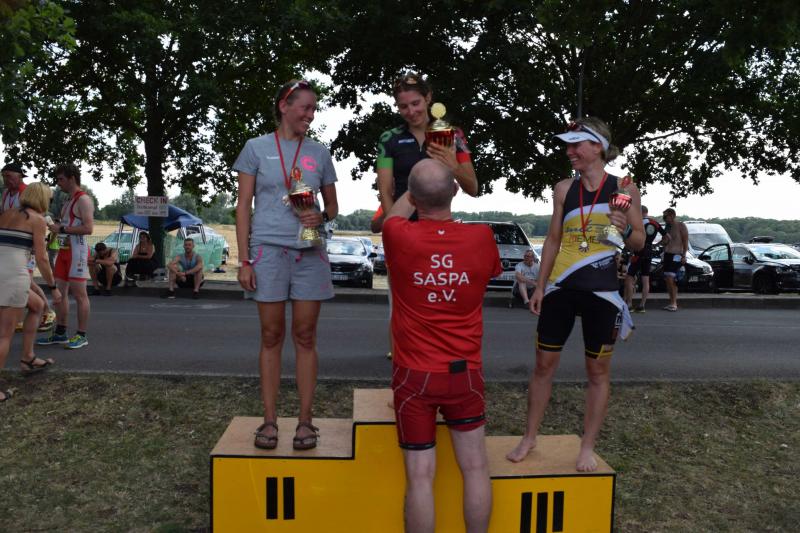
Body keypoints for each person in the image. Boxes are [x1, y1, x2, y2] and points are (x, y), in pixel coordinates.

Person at [506, 117, 645, 471]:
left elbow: (639, 242)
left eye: (576, 144)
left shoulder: (625, 188)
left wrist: (624, 229)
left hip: (602, 292)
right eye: (567, 145)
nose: (569, 151)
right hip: (561, 287)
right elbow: (553, 239)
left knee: (597, 372)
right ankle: (529, 437)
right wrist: (539, 286)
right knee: (543, 366)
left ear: (597, 146)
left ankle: (587, 447)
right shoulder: (563, 189)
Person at [384, 159, 501, 533]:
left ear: (413, 197)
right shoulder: (481, 237)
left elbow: (394, 215)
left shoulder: (398, 235)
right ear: (454, 191)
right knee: (476, 467)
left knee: (420, 476)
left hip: (414, 375)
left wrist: (412, 191)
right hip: (464, 374)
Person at [233, 79, 338, 451]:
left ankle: (306, 422)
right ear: (284, 106)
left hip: (309, 252)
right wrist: (244, 260)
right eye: (305, 108)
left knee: (305, 336)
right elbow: (243, 207)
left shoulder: (319, 153)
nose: (311, 115)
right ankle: (269, 420)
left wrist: (321, 216)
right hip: (268, 251)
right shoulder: (256, 148)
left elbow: (333, 207)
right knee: (271, 335)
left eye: (314, 109)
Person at [376, 72, 478, 218]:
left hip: (438, 226)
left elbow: (473, 189)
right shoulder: (388, 139)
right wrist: (393, 226)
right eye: (403, 106)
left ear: (428, 98)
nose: (411, 111)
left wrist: (453, 165)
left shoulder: (454, 134)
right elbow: (385, 191)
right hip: (403, 225)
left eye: (415, 103)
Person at [0, 182, 62, 401]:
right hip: (13, 276)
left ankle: (28, 357)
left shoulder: (7, 213)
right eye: (50, 199)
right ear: (43, 199)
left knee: (37, 306)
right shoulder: (37, 220)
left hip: (4, 271)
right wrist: (53, 287)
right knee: (5, 334)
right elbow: (42, 258)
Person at [37, 163, 93, 350]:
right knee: (59, 294)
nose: (58, 183)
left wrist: (61, 228)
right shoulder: (68, 200)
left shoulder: (83, 200)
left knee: (80, 295)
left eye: (61, 179)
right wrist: (56, 228)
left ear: (72, 178)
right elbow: (66, 227)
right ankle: (60, 333)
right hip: (64, 251)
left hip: (77, 252)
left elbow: (88, 228)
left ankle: (82, 335)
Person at [1, 164, 56, 333]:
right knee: (26, 283)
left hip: (24, 245)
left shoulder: (27, 192)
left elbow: (40, 215)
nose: (6, 179)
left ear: (20, 176)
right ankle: (28, 315)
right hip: (12, 244)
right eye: (4, 176)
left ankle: (45, 310)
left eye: (9, 176)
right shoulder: (6, 193)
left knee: (28, 282)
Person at [624, 205, 667, 312]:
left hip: (638, 251)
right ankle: (642, 305)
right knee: (645, 278)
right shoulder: (655, 223)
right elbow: (668, 237)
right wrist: (657, 245)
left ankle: (629, 304)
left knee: (629, 277)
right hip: (649, 251)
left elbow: (628, 237)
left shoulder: (637, 223)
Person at [661, 208, 688, 312]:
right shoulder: (667, 227)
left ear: (672, 215)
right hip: (667, 255)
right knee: (668, 280)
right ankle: (672, 302)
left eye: (665, 216)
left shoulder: (681, 225)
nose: (664, 218)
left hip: (676, 254)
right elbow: (664, 242)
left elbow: (685, 241)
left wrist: (684, 255)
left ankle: (674, 303)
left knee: (671, 278)